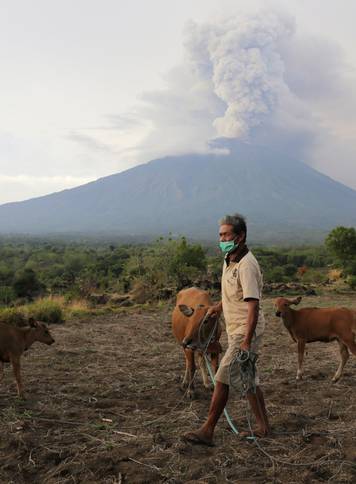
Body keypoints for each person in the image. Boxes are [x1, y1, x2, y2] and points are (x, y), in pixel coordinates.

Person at [183, 213, 270, 446]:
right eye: (220, 234)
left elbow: (253, 305)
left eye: (226, 235)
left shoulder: (247, 265)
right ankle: (264, 426)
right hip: (235, 329)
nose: (221, 238)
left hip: (245, 331)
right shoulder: (229, 259)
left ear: (240, 237)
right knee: (249, 379)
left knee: (222, 378)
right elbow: (236, 295)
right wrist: (218, 307)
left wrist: (246, 341)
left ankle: (207, 430)